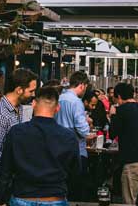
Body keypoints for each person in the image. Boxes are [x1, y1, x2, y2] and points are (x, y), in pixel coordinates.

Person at [0, 86, 81, 206]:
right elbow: (75, 173)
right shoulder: (68, 137)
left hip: (22, 196)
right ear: (57, 108)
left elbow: (5, 171)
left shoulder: (17, 132)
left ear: (33, 104)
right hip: (54, 197)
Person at [0, 68, 38, 206]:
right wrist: (13, 168)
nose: (33, 94)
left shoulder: (19, 108)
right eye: (31, 91)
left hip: (12, 182)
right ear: (19, 89)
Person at [54, 71, 95, 201]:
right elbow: (83, 130)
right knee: (76, 189)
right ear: (82, 85)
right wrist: (88, 127)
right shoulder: (76, 102)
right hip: (76, 150)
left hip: (58, 149)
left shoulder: (59, 98)